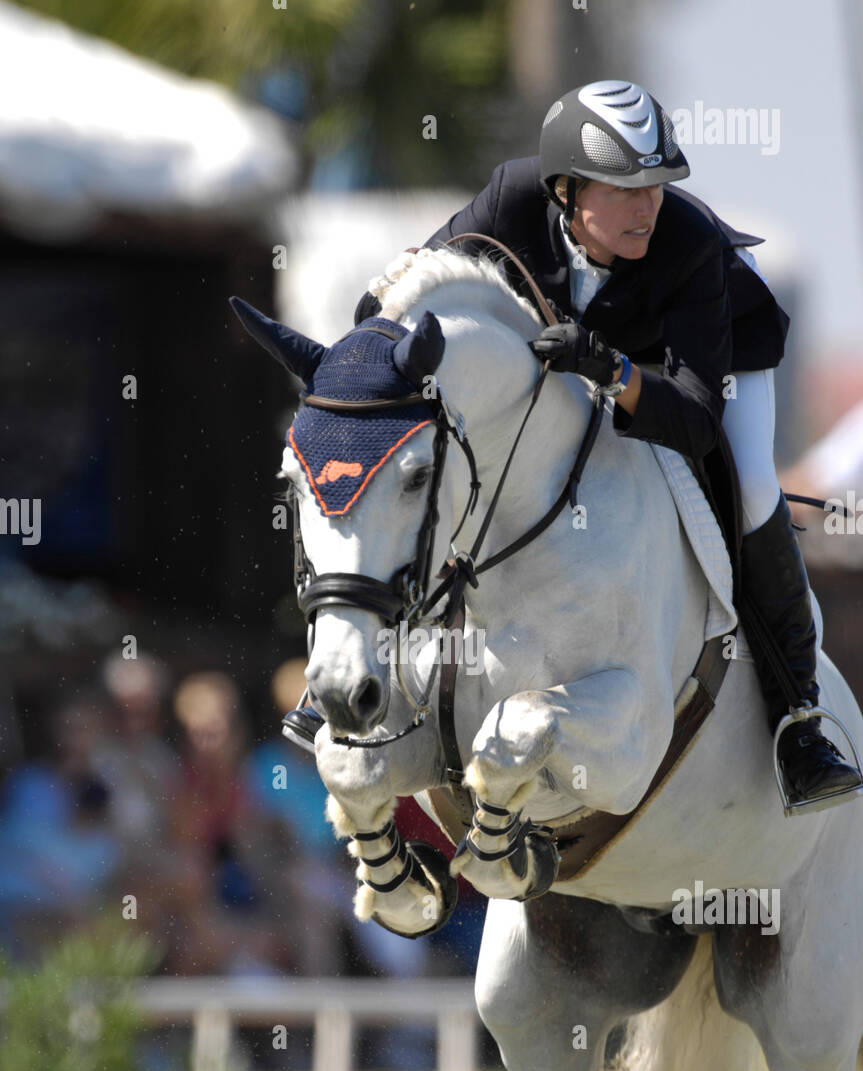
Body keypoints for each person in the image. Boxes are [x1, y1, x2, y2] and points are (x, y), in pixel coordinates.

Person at [286, 79, 862, 814]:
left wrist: (614, 371)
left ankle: (799, 718)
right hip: (581, 365)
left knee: (749, 485)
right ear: (565, 189)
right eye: (624, 189)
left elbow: (690, 418)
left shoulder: (687, 248)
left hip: (709, 368)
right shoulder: (507, 201)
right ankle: (340, 666)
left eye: (656, 185)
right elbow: (401, 299)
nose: (647, 205)